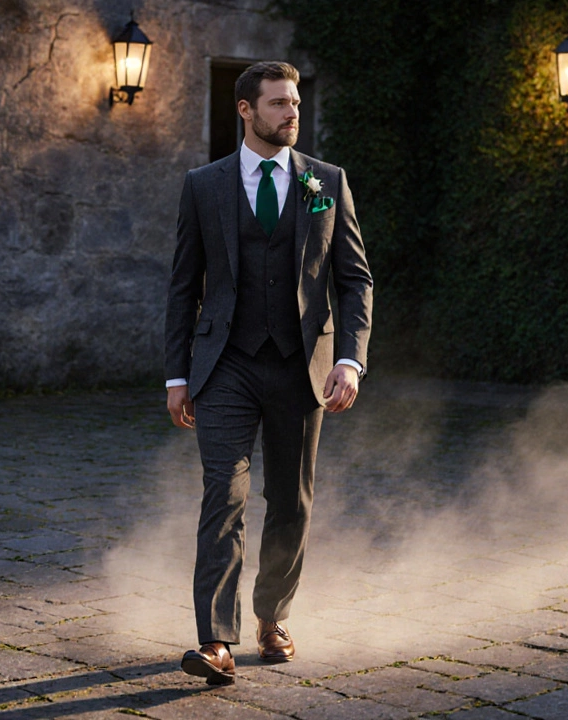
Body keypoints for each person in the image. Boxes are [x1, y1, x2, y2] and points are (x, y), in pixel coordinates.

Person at [164, 61, 373, 685]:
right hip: (223, 364)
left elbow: (354, 278)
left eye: (296, 103)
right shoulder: (204, 185)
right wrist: (177, 374)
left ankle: (271, 615)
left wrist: (350, 358)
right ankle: (216, 641)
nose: (292, 113)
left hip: (299, 365)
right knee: (221, 499)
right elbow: (182, 287)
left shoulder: (326, 181)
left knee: (291, 501)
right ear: (245, 110)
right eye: (279, 103)